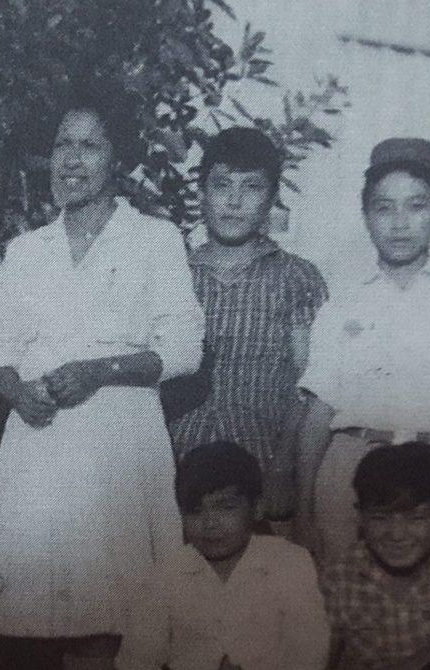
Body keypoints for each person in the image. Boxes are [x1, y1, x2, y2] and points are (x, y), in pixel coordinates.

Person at [0, 84, 205, 670]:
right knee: (39, 628)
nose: (72, 161)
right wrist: (14, 390)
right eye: (62, 146)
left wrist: (99, 371)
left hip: (118, 443)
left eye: (90, 146)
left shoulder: (155, 239)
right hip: (39, 444)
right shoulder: (27, 250)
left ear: (117, 157)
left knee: (112, 630)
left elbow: (182, 349)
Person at [295, 138, 430, 558]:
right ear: (366, 216)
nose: (399, 223)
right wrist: (303, 511)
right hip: (351, 473)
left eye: (416, 205)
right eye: (383, 208)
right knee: (346, 610)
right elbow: (319, 413)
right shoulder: (344, 305)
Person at [167, 127, 328, 527]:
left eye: (251, 187)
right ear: (201, 193)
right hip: (176, 473)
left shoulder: (297, 278)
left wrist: (283, 469)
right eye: (221, 186)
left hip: (262, 474)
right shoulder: (172, 275)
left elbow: (308, 384)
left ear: (272, 198)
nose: (234, 201)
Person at [115, 442, 330, 670]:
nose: (210, 523)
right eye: (195, 511)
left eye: (226, 508)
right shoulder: (165, 577)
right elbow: (136, 661)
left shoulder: (290, 564)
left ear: (257, 508)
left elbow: (311, 655)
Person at [321, 443, 430, 669]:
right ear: (360, 518)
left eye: (417, 518)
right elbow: (324, 657)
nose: (397, 535)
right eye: (380, 518)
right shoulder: (340, 574)